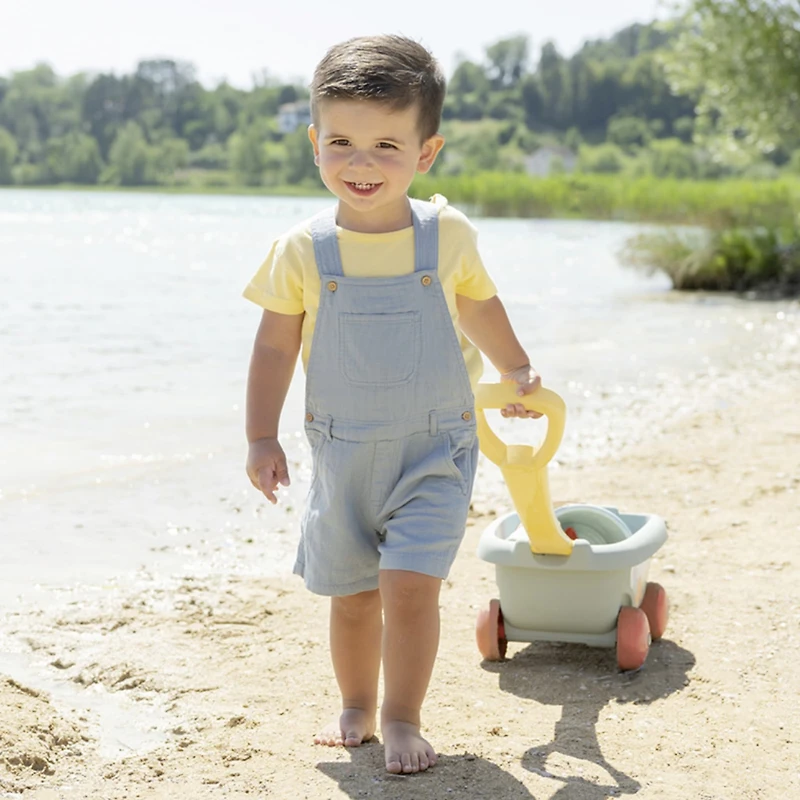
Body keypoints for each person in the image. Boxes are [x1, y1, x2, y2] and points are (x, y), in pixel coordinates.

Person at [243, 34, 541, 775]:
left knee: (408, 587)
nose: (362, 162)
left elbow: (478, 306)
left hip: (435, 446)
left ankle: (403, 717)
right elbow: (276, 349)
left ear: (426, 152)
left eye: (385, 144)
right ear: (314, 144)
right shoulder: (301, 250)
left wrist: (518, 369)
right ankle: (356, 703)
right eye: (341, 141)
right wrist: (260, 437)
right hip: (343, 452)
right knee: (351, 597)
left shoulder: (446, 235)